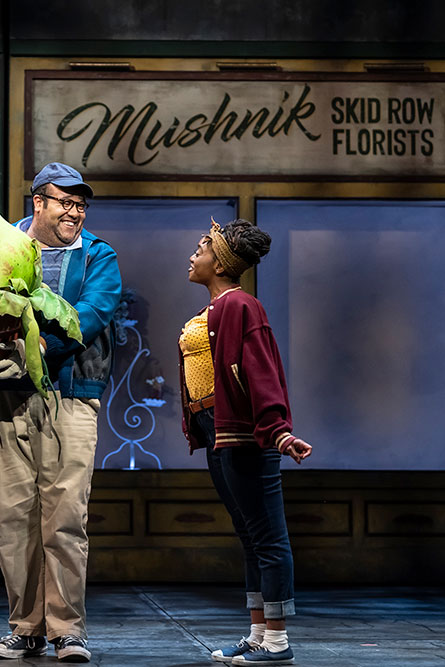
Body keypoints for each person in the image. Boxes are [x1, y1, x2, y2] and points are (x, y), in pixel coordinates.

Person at [0, 163, 122, 663]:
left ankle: (68, 631)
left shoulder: (97, 255)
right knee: (12, 517)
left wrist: (32, 353)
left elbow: (92, 313)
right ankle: (26, 626)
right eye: (65, 202)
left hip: (69, 396)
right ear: (38, 202)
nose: (75, 211)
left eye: (81, 204)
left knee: (64, 517)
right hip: (1, 399)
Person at [178, 218, 312, 665]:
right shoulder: (216, 309)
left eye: (200, 248)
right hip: (218, 433)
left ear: (220, 261)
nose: (193, 255)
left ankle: (277, 641)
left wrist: (278, 429)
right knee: (250, 537)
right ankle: (258, 634)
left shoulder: (242, 307)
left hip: (245, 433)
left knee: (268, 538)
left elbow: (261, 370)